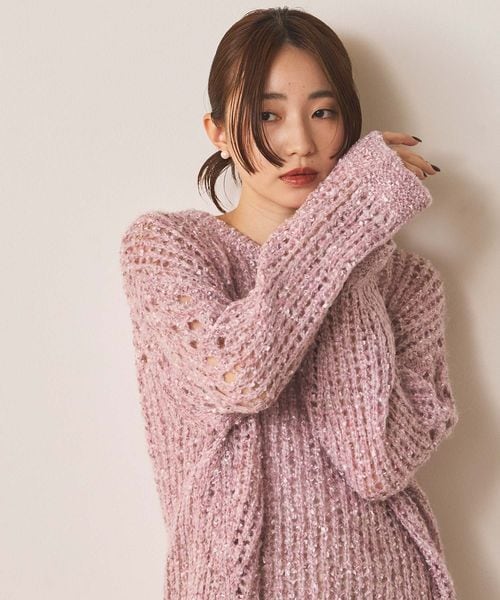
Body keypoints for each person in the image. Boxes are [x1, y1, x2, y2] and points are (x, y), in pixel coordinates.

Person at [120, 7, 459, 599]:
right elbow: (241, 374)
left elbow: (374, 462)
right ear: (218, 131)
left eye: (323, 113)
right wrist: (346, 216)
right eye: (267, 115)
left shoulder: (407, 282)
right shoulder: (166, 248)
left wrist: (351, 239)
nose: (300, 143)